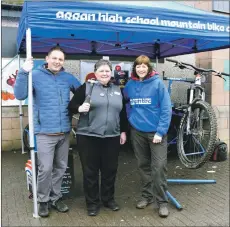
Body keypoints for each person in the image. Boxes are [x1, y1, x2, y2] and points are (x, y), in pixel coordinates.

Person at [14, 46, 81, 217]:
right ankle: (42, 201)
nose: (57, 62)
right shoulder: (34, 75)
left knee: (60, 167)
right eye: (54, 58)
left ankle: (55, 198)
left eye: (60, 59)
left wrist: (79, 105)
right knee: (45, 168)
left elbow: (82, 93)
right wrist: (23, 72)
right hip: (44, 132)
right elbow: (20, 95)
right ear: (47, 58)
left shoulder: (67, 77)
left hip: (64, 131)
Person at [68, 59, 128, 216]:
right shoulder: (86, 87)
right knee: (90, 172)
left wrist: (123, 131)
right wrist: (79, 108)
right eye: (101, 71)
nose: (105, 73)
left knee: (110, 170)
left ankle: (108, 199)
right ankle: (92, 203)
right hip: (88, 136)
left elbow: (122, 113)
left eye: (107, 71)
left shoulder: (117, 89)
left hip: (112, 136)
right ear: (95, 73)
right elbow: (72, 106)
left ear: (111, 73)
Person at [123, 55, 172, 218]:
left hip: (156, 133)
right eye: (138, 66)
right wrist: (131, 119)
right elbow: (126, 104)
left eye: (144, 66)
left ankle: (162, 202)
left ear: (149, 68)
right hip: (137, 131)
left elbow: (166, 109)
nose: (141, 69)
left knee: (158, 168)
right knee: (143, 165)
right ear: (135, 68)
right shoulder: (130, 85)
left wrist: (160, 131)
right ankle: (147, 196)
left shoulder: (158, 84)